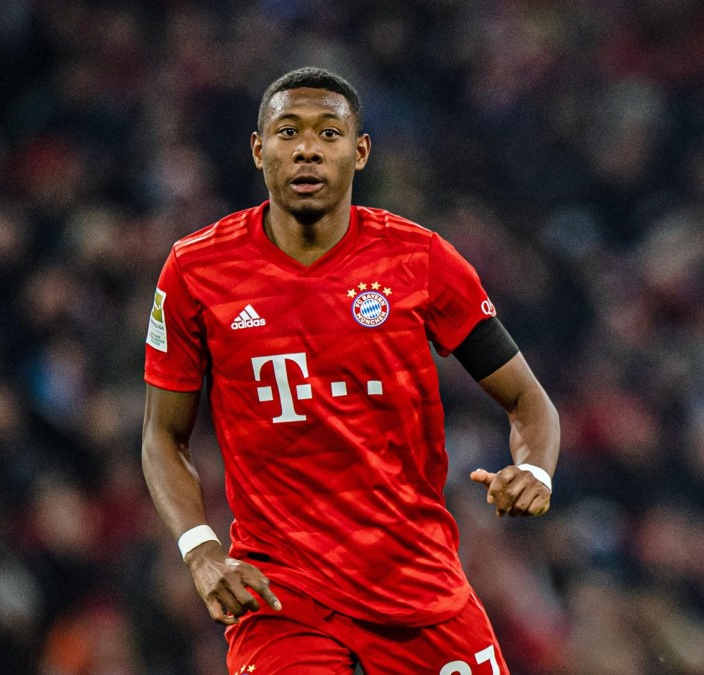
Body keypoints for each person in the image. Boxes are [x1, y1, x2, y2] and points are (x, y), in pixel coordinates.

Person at [140, 67, 560, 674]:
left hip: (416, 584)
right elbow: (162, 434)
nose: (307, 149)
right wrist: (199, 548)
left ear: (359, 152)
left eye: (328, 133)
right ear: (259, 149)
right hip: (283, 594)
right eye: (288, 131)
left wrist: (534, 470)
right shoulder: (194, 271)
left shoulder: (421, 260)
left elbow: (528, 400)